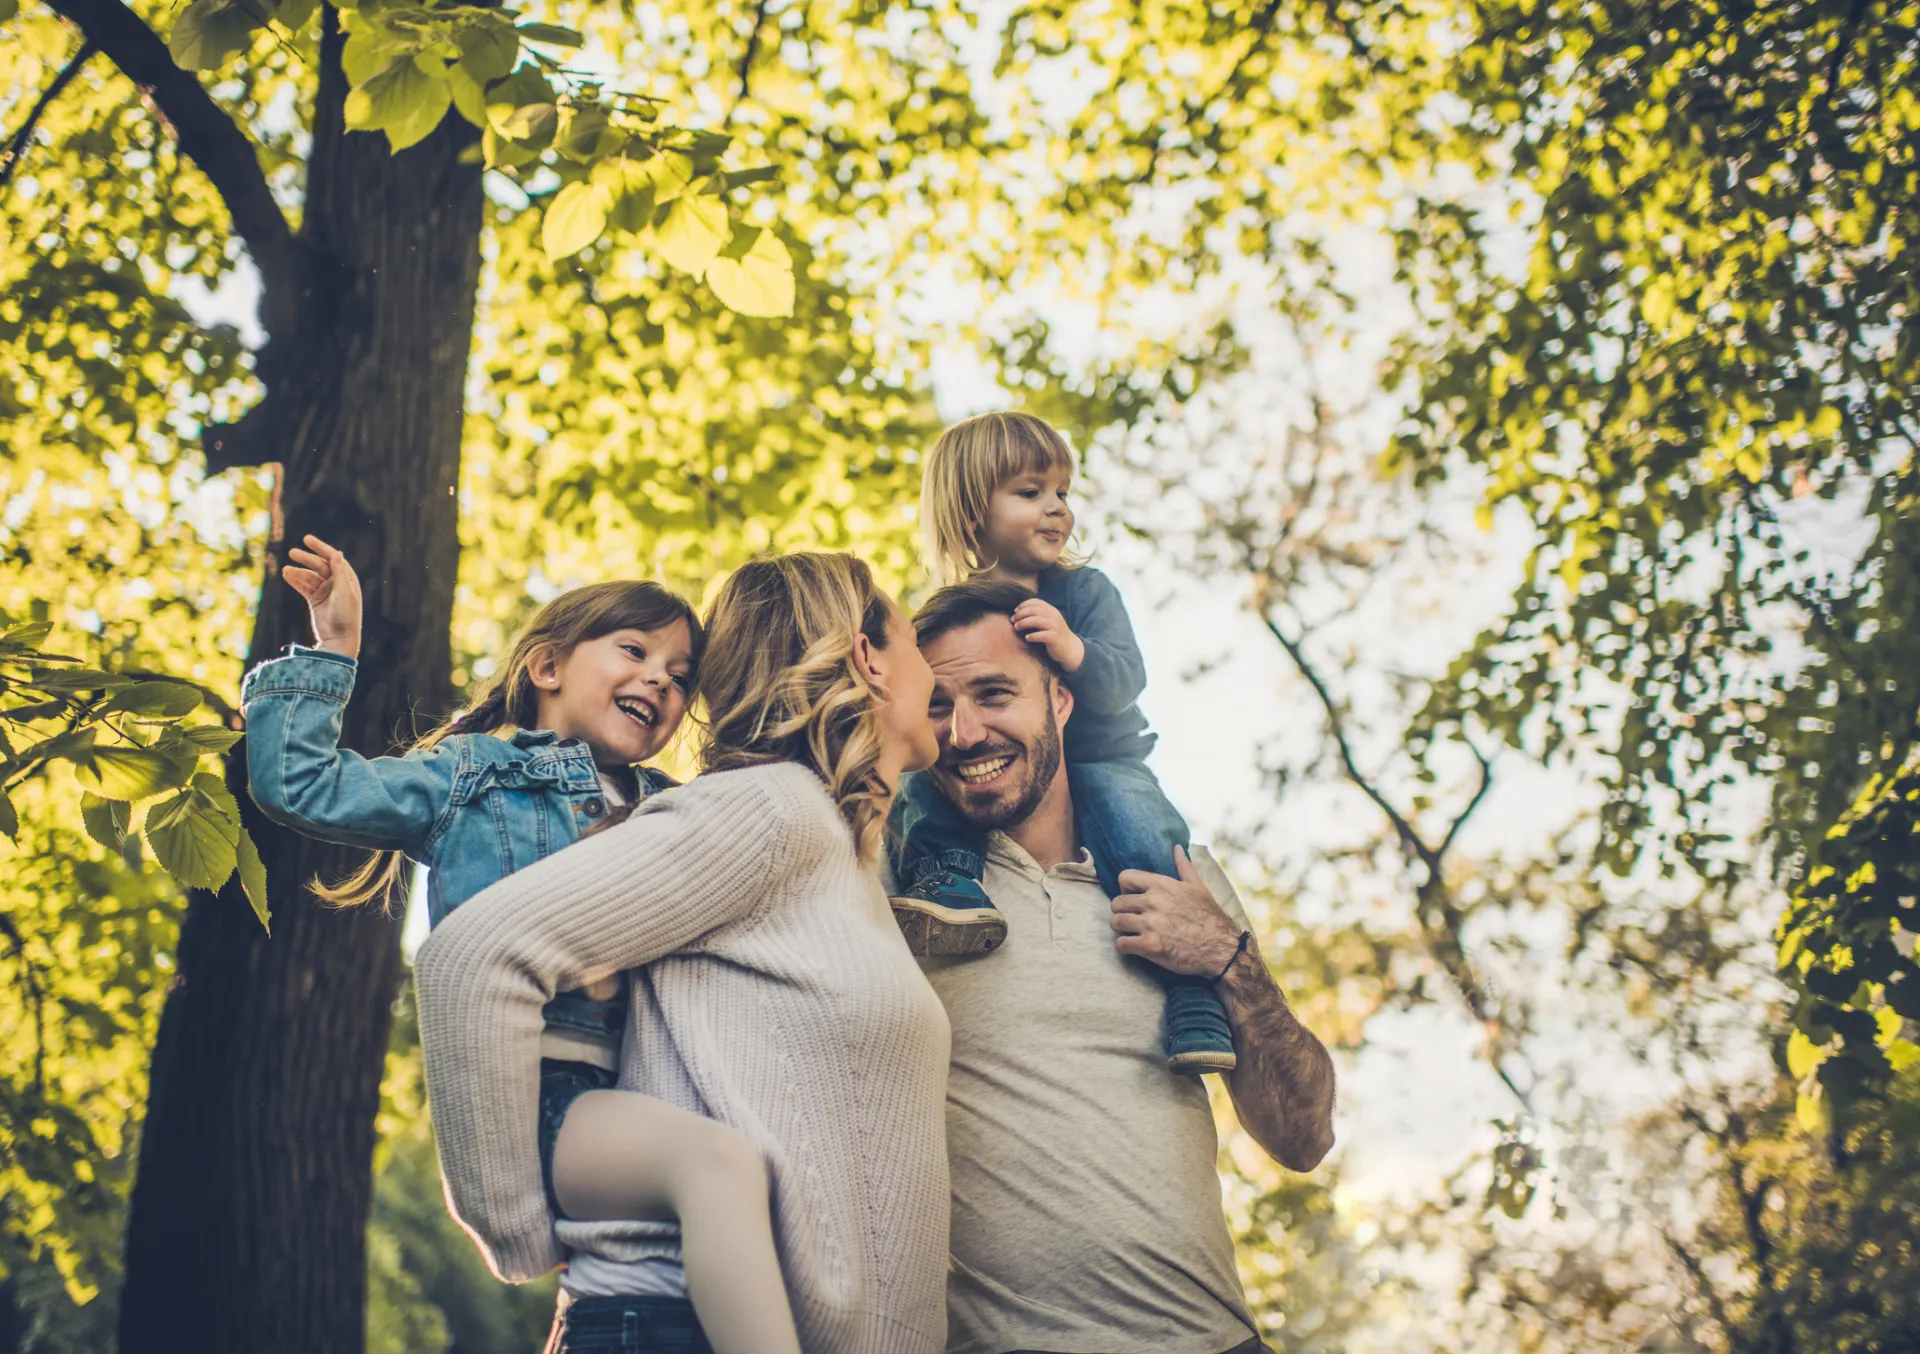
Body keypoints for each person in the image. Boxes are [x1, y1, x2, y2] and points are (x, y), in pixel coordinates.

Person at [241, 537, 803, 1354]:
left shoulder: (673, 806)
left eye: (682, 679)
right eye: (636, 650)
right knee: (716, 1167)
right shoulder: (475, 774)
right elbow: (301, 785)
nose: (660, 680)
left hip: (647, 1084)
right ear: (547, 667)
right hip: (547, 1102)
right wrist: (335, 649)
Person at [413, 551, 955, 1354]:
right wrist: (518, 1224)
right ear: (867, 657)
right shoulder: (768, 811)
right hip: (667, 1328)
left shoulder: (836, 848)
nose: (934, 678)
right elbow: (470, 956)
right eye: (915, 643)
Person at [903, 579, 1338, 1354]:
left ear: (1062, 702)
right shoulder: (906, 887)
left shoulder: (1178, 875)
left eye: (994, 694)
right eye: (939, 705)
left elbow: (1302, 1136)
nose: (964, 732)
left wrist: (1228, 959)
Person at [889, 410, 1237, 1074]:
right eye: (1030, 493)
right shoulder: (949, 615)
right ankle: (947, 881)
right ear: (970, 513)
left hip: (1101, 759)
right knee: (921, 781)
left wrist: (1072, 649)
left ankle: (1192, 997)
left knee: (1142, 833)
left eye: (1062, 493)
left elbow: (1126, 679)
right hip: (999, 771)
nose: (1056, 509)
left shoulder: (1083, 592)